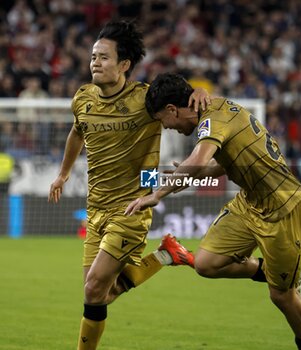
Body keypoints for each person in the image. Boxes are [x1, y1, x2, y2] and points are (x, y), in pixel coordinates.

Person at [125, 73, 301, 350]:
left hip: (284, 207)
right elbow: (220, 165)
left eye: (161, 121)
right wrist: (190, 174)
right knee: (206, 263)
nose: (165, 127)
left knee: (281, 297)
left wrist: (158, 193)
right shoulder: (213, 111)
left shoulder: (213, 119)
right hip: (250, 202)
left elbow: (199, 159)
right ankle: (274, 271)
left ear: (172, 110)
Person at [48, 21, 209, 350]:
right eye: (94, 56)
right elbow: (77, 133)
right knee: (98, 294)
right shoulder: (82, 99)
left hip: (134, 206)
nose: (96, 62)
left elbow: (189, 101)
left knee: (94, 288)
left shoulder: (146, 98)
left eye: (104, 57)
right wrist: (63, 173)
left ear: (124, 65)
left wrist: (202, 92)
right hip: (96, 208)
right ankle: (165, 256)